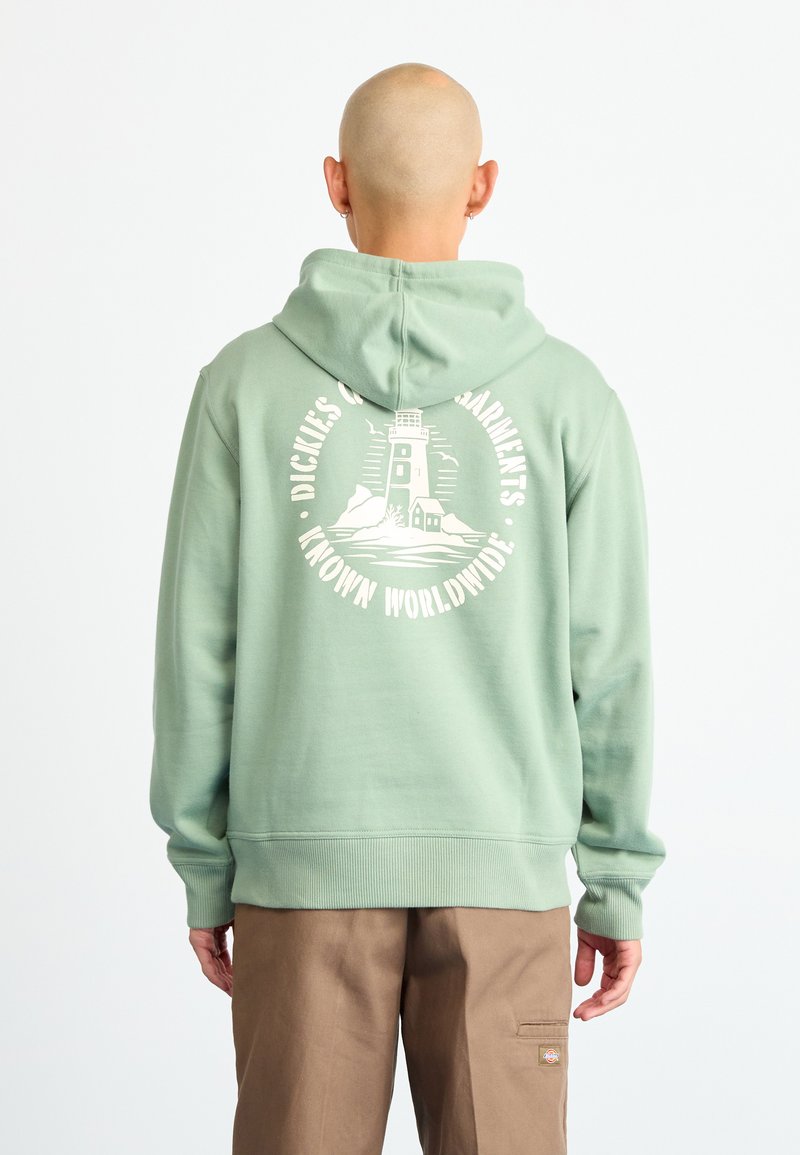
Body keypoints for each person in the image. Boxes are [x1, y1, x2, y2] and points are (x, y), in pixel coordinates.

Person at [149, 60, 666, 1155]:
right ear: (482, 186)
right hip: (503, 871)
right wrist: (614, 878)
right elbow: (611, 660)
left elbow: (197, 650)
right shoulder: (570, 398)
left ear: (334, 182)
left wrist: (206, 865)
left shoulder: (241, 387)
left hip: (299, 867)